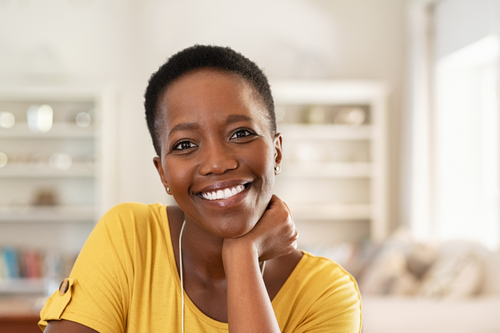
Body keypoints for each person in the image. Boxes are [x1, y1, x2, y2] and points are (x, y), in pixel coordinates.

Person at [39, 45, 361, 332]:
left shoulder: (328, 293)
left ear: (276, 152)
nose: (217, 163)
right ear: (163, 173)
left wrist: (241, 256)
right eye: (185, 144)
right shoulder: (129, 236)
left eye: (240, 134)